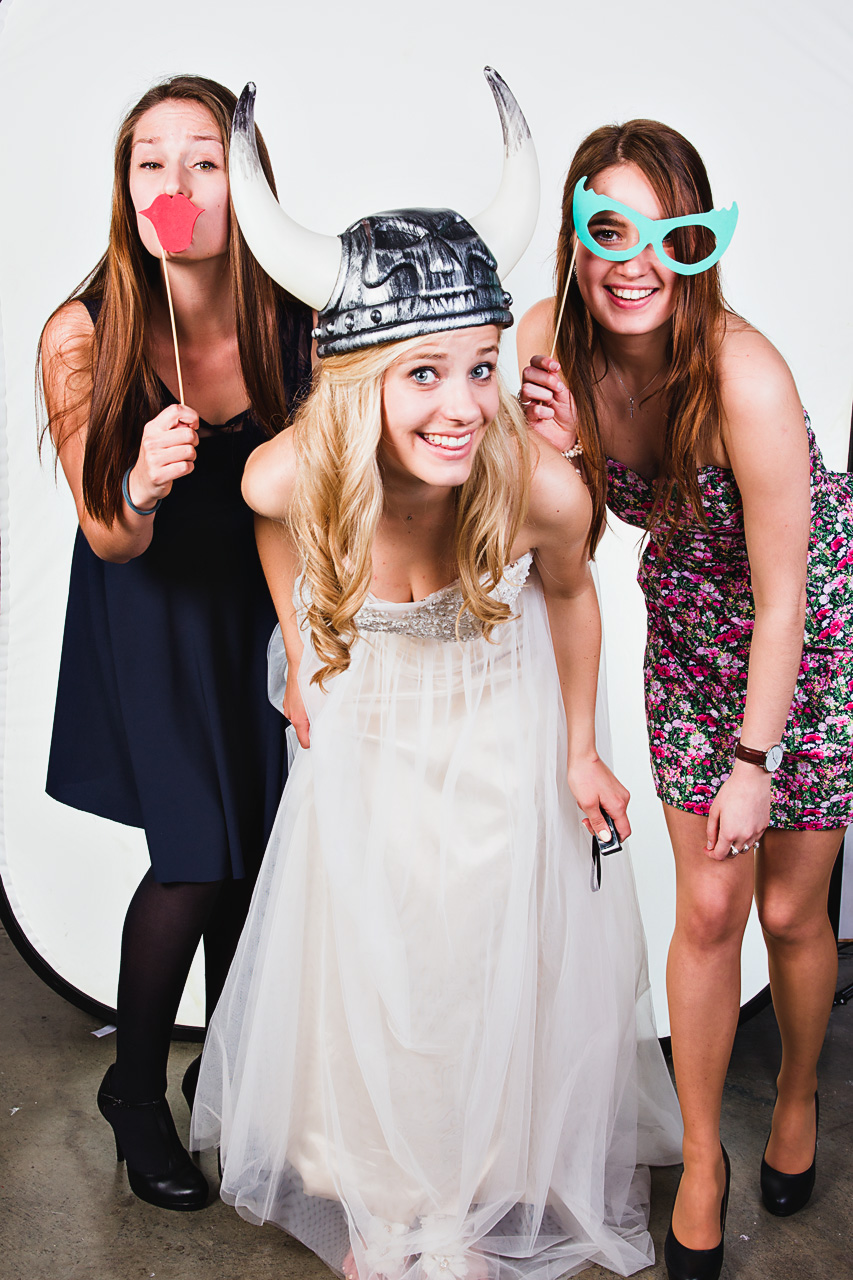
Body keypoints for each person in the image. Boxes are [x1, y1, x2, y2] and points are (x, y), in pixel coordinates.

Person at [191, 74, 682, 1280]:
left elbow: (571, 592)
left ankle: (458, 1199)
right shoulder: (294, 473)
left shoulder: (534, 484)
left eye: (478, 366)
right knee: (371, 954)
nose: (464, 405)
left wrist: (577, 745)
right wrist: (300, 649)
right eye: (424, 374)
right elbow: (265, 522)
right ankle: (376, 1199)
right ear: (360, 383)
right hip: (369, 725)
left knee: (470, 962)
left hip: (493, 719)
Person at [517, 119, 852, 1280]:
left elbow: (780, 597)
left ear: (700, 242)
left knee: (793, 914)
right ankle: (702, 1157)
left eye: (666, 230)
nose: (634, 257)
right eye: (607, 225)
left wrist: (756, 757)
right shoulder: (552, 351)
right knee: (707, 911)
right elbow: (575, 543)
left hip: (802, 630)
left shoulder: (747, 376)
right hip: (689, 630)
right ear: (575, 234)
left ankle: (801, 1087)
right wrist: (560, 455)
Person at [38, 74, 312, 1211]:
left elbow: (309, 499)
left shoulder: (287, 315)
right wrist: (141, 483)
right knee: (195, 853)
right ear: (126, 184)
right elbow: (104, 535)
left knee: (249, 854)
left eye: (204, 158)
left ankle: (229, 1077)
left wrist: (307, 644)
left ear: (242, 181)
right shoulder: (81, 329)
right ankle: (136, 1092)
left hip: (254, 599)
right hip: (147, 603)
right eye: (153, 161)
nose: (179, 182)